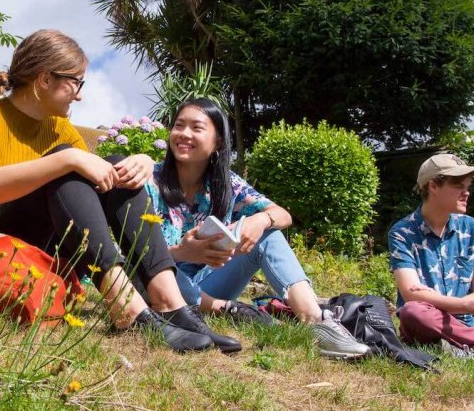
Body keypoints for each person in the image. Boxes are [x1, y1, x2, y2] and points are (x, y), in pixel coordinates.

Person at [0, 29, 240, 353]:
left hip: (43, 241)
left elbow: (99, 178)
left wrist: (140, 161)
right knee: (67, 165)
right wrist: (69, 158)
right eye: (76, 81)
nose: (79, 95)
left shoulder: (58, 127)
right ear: (45, 79)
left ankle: (169, 302)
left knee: (114, 166)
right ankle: (127, 308)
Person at [144, 98, 371, 359]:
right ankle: (219, 308)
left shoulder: (227, 184)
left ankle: (316, 322)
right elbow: (137, 252)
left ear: (217, 141)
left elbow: (282, 214)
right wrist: (183, 253)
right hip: (164, 284)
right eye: (178, 125)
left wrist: (259, 220)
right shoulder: (151, 180)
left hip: (209, 282)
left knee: (269, 233)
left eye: (196, 127)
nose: (184, 134)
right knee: (153, 267)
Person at [389, 153, 474, 357]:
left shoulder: (470, 228)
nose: (466, 193)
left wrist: (432, 297)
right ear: (433, 186)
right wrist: (465, 304)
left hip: (466, 323)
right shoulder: (403, 232)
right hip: (429, 320)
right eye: (458, 186)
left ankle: (455, 345)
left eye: (467, 186)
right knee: (413, 313)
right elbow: (411, 295)